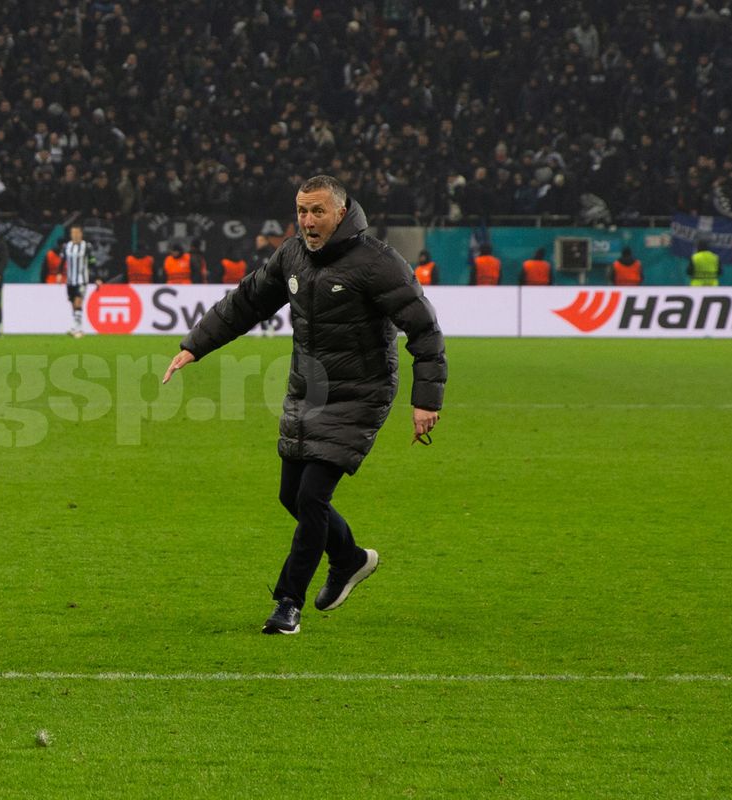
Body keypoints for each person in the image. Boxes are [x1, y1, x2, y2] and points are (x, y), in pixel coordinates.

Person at [162, 175, 446, 635]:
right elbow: (247, 301)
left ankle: (287, 603)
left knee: (312, 496)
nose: (307, 221)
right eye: (301, 211)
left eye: (317, 211)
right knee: (290, 496)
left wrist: (425, 400)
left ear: (340, 211)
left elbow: (425, 329)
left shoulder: (377, 263)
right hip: (308, 389)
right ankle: (351, 558)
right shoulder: (292, 255)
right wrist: (195, 345)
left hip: (361, 393)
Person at [61, 225, 98, 338]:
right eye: (73, 233)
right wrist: (58, 273)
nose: (75, 235)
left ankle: (78, 329)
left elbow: (92, 262)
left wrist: (97, 277)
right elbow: (62, 261)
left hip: (82, 280)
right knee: (73, 303)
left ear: (81, 234)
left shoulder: (87, 246)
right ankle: (77, 326)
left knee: (78, 301)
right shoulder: (66, 246)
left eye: (77, 233)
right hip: (70, 280)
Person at [249, 234, 276, 336]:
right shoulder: (254, 254)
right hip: (255, 284)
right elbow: (250, 269)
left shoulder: (271, 253)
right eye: (257, 240)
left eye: (260, 240)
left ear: (266, 241)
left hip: (268, 284)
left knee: (269, 306)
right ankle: (263, 328)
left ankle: (270, 327)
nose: (258, 242)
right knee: (258, 307)